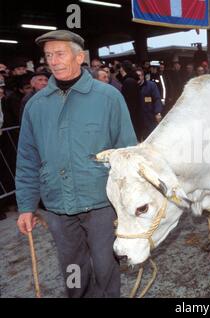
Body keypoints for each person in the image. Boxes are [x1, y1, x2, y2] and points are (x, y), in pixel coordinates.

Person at [15, 30, 137, 298]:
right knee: (72, 268)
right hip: (58, 205)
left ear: (80, 57)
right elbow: (27, 159)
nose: (54, 61)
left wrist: (130, 200)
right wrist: (26, 206)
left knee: (106, 265)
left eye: (60, 54)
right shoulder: (36, 106)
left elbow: (127, 151)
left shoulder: (108, 98)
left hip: (101, 202)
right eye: (48, 56)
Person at [136, 68, 163, 139]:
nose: (137, 77)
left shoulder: (151, 85)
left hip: (150, 117)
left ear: (142, 76)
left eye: (139, 75)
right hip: (138, 119)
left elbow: (157, 99)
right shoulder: (133, 86)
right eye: (135, 76)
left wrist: (158, 112)